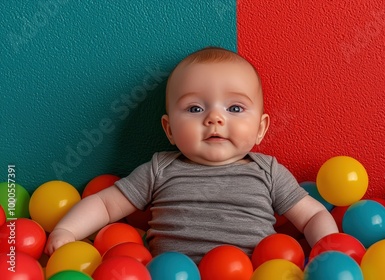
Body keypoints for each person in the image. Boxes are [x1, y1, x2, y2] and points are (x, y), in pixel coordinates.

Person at [45, 47, 339, 263]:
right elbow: (106, 205)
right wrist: (67, 231)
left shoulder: (268, 171)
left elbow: (312, 214)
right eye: (195, 109)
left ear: (261, 128)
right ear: (169, 129)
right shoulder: (160, 169)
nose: (214, 118)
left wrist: (328, 250)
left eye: (234, 108)